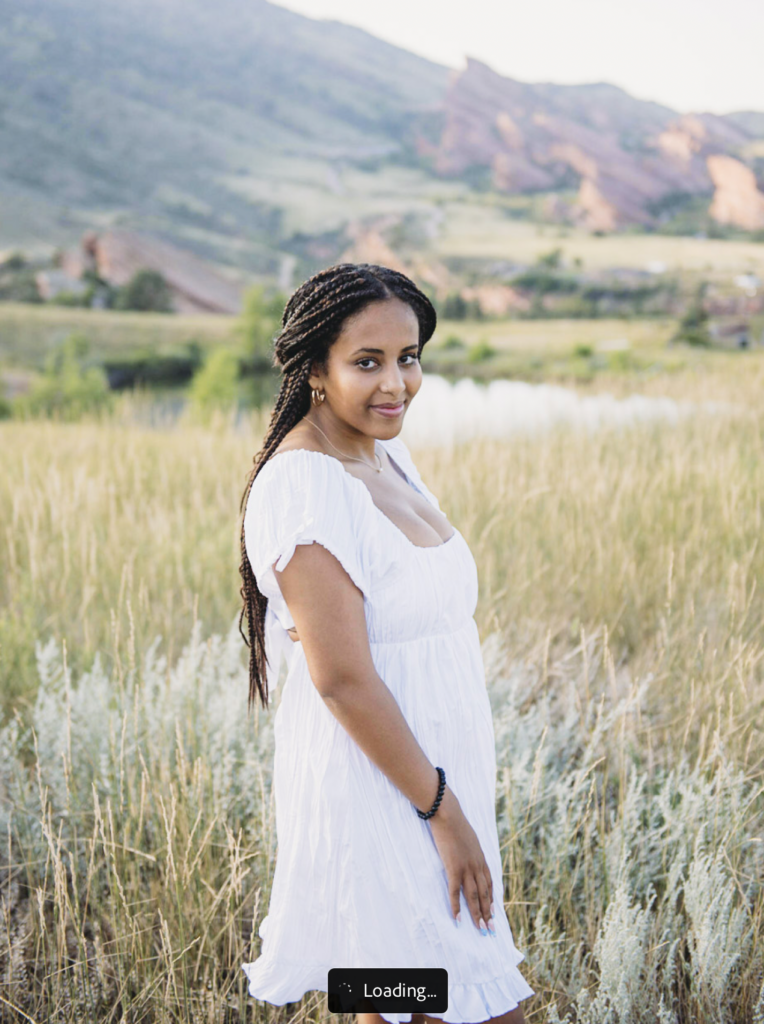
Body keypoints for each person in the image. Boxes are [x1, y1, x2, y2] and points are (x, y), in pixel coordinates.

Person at [238, 263, 534, 1024]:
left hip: (431, 781)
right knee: (453, 1003)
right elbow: (340, 678)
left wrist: (454, 803)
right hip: (388, 794)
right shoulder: (305, 483)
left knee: (395, 1006)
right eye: (366, 362)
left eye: (409, 357)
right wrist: (444, 813)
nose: (396, 382)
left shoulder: (382, 455)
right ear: (314, 369)